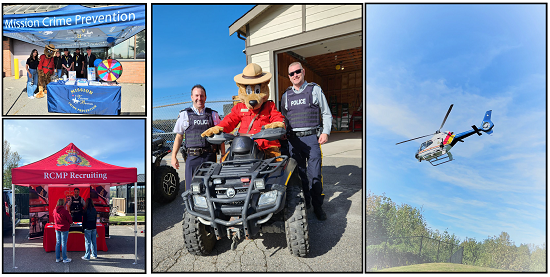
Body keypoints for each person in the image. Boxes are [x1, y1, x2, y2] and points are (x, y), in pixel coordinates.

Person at [280, 62, 332, 221]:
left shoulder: (314, 90)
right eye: (291, 74)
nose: (295, 75)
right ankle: (306, 204)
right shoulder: (286, 95)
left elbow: (326, 113)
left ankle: (318, 207)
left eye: (297, 72)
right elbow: (283, 118)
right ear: (289, 77)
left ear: (303, 72)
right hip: (294, 141)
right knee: (300, 175)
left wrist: (325, 132)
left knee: (315, 175)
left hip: (312, 139)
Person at [171, 85, 223, 191]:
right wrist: (173, 156)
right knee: (191, 189)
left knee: (211, 188)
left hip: (210, 156)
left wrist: (223, 155)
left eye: (202, 96)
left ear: (205, 97)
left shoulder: (213, 115)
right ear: (191, 97)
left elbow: (220, 136)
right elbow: (179, 137)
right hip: (192, 157)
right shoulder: (184, 114)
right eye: (196, 95)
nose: (199, 98)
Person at [54, 198, 73, 263]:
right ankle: (65, 259)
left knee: (58, 243)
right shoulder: (65, 211)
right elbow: (70, 221)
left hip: (57, 228)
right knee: (63, 243)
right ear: (63, 203)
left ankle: (57, 258)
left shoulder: (54, 211)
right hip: (64, 229)